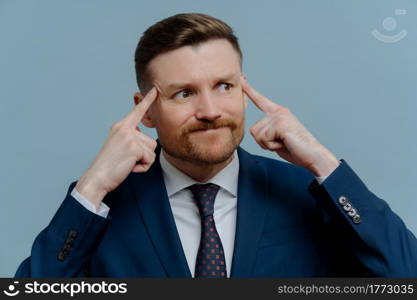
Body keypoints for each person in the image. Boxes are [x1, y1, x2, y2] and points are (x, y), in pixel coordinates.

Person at [15, 13, 417, 278]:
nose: (209, 110)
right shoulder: (99, 205)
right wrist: (91, 187)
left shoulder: (309, 193)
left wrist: (324, 164)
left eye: (224, 87)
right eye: (184, 94)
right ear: (146, 112)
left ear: (244, 92)